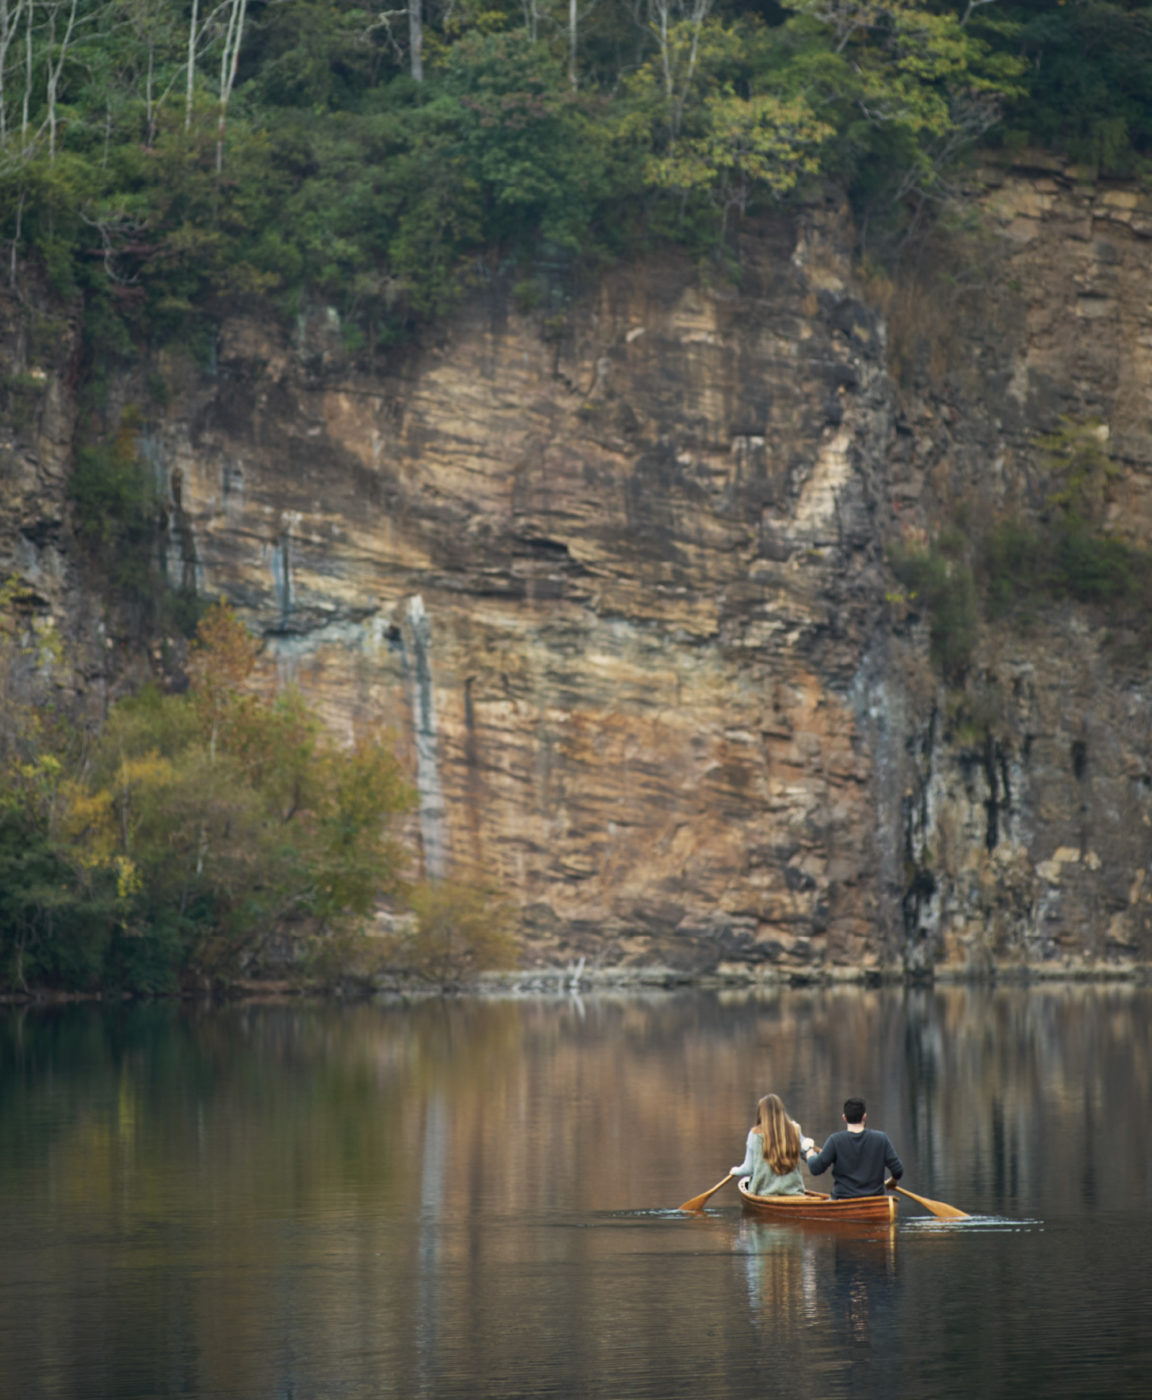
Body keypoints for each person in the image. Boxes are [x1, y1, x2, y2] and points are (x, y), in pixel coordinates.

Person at [804, 1097, 903, 1199]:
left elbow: (815, 1168)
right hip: (875, 1200)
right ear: (864, 1117)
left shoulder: (835, 1140)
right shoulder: (881, 1139)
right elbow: (898, 1170)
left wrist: (809, 1150)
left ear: (844, 1118)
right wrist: (893, 1180)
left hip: (842, 1199)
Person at [732, 1093, 817, 1197]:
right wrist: (810, 1148)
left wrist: (735, 1171)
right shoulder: (795, 1130)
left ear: (761, 1114)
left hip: (763, 1193)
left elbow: (748, 1169)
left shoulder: (754, 1134)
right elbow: (812, 1159)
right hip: (794, 1193)